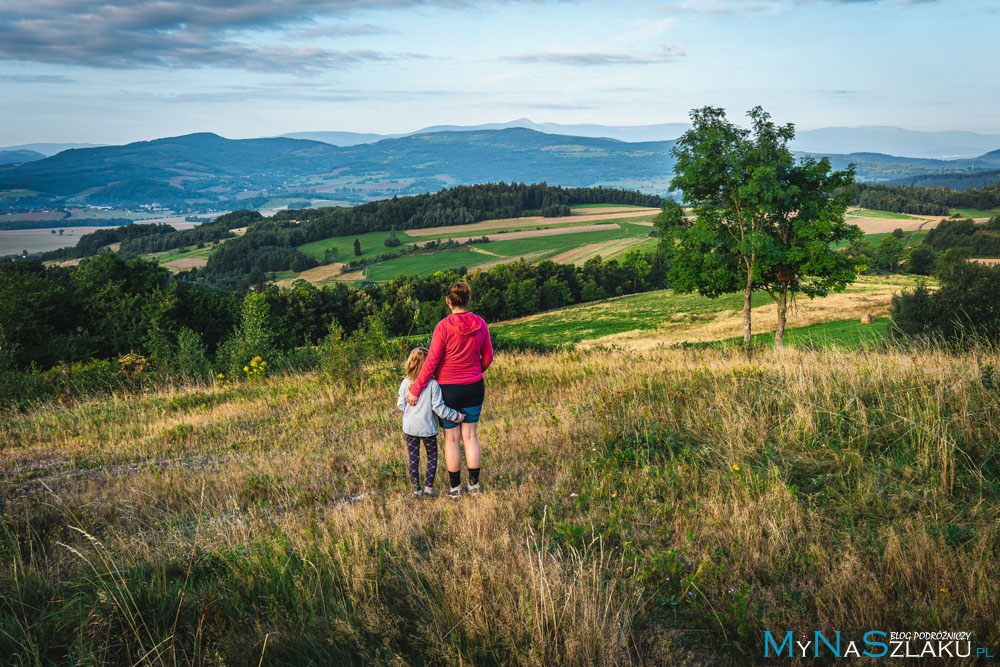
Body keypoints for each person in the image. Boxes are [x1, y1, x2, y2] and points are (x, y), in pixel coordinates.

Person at [407, 281, 493, 499]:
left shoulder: (443, 327)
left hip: (448, 390)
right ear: (468, 300)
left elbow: (431, 362)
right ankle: (474, 486)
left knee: (451, 439)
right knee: (471, 437)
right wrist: (475, 371)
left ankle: (455, 489)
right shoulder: (480, 323)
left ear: (448, 301)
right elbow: (488, 358)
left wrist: (416, 390)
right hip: (474, 387)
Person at [397, 347, 465, 498]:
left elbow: (400, 405)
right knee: (432, 457)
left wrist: (411, 413)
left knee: (413, 458)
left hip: (410, 428)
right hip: (427, 428)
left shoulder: (404, 383)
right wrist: (456, 416)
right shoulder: (433, 384)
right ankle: (428, 490)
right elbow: (439, 408)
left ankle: (416, 490)